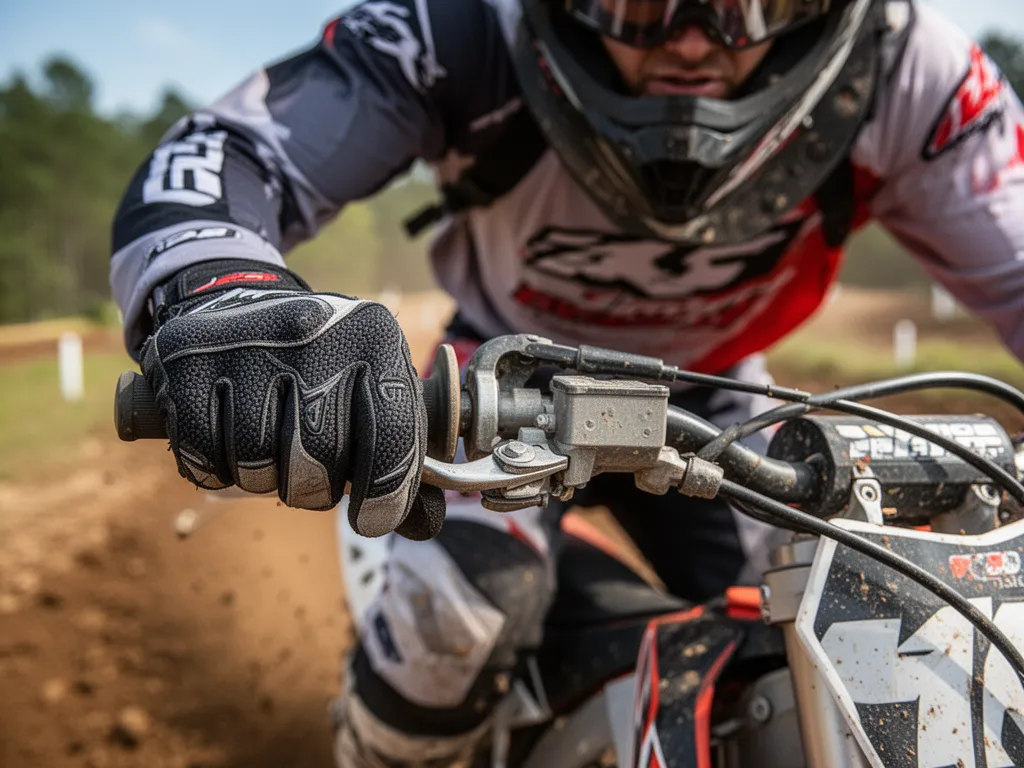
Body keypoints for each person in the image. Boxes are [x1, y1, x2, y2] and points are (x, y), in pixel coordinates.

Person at [110, 0, 1024, 763]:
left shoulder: (916, 73)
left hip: (725, 398)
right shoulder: (457, 28)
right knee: (451, 639)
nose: (694, 39)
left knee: (888, 629)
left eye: (752, 0)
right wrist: (224, 295)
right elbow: (228, 156)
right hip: (487, 389)